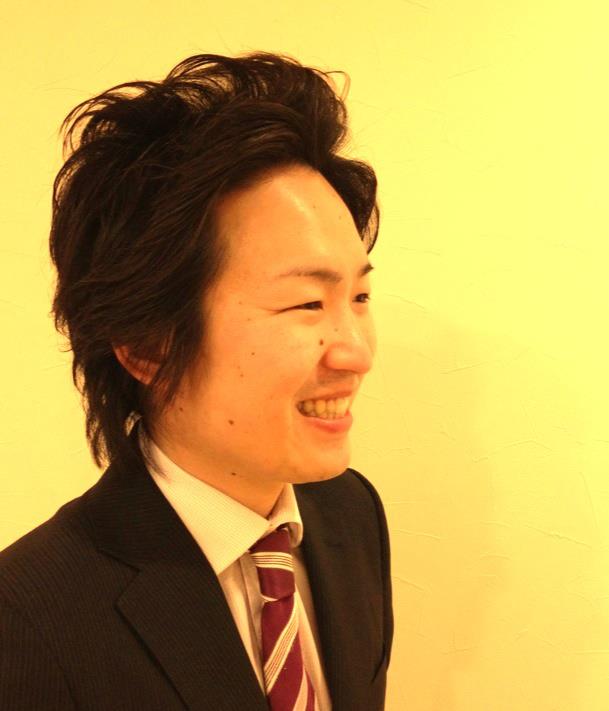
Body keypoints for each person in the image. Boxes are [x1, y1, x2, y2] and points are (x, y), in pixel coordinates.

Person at [0, 51, 393, 710]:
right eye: (306, 303)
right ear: (146, 344)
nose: (355, 352)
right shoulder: (30, 621)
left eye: (358, 296)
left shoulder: (350, 515)